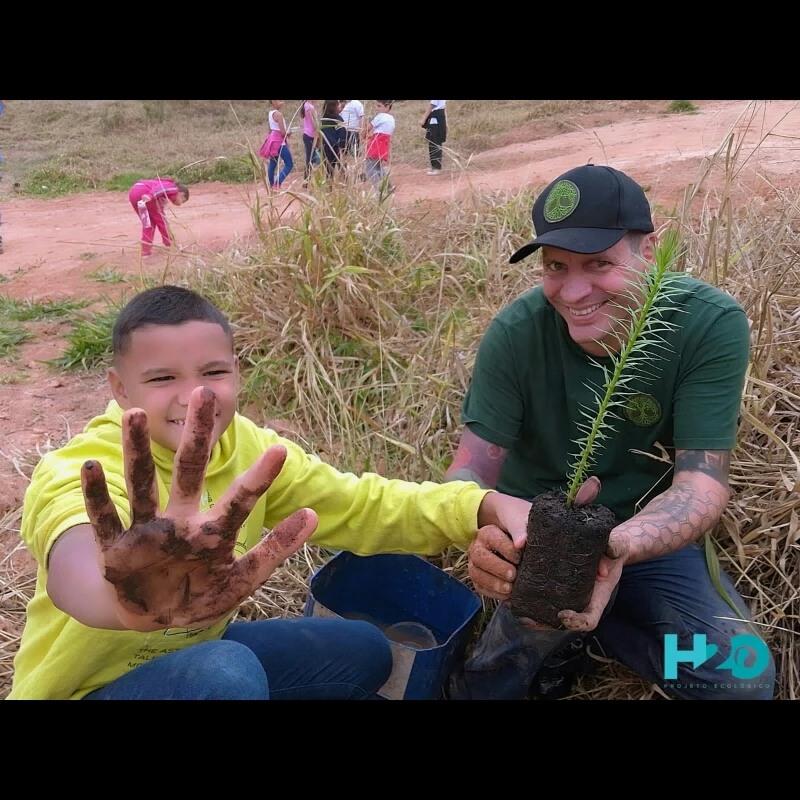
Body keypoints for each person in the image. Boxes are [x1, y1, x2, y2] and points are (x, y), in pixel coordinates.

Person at [8, 285, 530, 700]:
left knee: (363, 650)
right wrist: (124, 604)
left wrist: (480, 505)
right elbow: (70, 565)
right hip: (89, 689)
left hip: (194, 659)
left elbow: (364, 504)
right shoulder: (85, 467)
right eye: (163, 377)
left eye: (214, 371)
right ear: (120, 388)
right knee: (225, 673)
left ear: (238, 370)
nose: (196, 397)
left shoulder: (253, 451)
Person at [445, 164, 775, 700]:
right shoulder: (516, 333)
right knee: (494, 684)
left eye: (600, 263)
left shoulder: (707, 324)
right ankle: (515, 657)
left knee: (741, 673)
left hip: (643, 534)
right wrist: (483, 521)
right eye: (555, 267)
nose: (574, 292)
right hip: (536, 536)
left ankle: (610, 636)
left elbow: (700, 483)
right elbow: (468, 471)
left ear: (651, 249)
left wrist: (611, 548)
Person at [128, 177, 189, 257]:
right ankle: (170, 244)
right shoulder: (173, 187)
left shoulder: (163, 185)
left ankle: (145, 251)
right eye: (182, 200)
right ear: (181, 194)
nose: (180, 204)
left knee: (148, 224)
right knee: (162, 221)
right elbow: (161, 189)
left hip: (134, 193)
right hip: (145, 193)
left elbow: (160, 190)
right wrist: (150, 195)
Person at [260, 100, 294, 190]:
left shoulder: (270, 113)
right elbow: (283, 132)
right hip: (279, 142)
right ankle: (277, 182)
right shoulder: (279, 115)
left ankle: (271, 185)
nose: (281, 102)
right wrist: (289, 132)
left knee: (273, 163)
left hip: (273, 141)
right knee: (289, 164)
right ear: (273, 102)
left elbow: (271, 129)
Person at [365, 100, 395, 191]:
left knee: (370, 168)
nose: (376, 108)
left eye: (379, 106)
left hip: (376, 144)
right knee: (378, 167)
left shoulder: (380, 117)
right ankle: (389, 186)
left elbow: (367, 128)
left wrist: (362, 136)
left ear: (387, 106)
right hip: (384, 145)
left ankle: (378, 189)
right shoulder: (391, 118)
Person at [319, 100, 346, 180]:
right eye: (338, 105)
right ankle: (345, 183)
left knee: (328, 170)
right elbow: (342, 134)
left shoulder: (323, 119)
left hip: (325, 147)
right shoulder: (338, 119)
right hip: (335, 147)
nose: (339, 106)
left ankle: (329, 187)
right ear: (333, 107)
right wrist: (343, 146)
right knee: (341, 166)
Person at [421, 100, 447, 175]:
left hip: (436, 119)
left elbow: (431, 105)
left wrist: (423, 119)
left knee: (435, 144)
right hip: (438, 119)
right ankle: (434, 167)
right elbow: (444, 108)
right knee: (433, 144)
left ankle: (436, 168)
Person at [300, 100, 321, 185]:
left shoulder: (305, 105)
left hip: (307, 135)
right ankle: (307, 180)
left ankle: (307, 180)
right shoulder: (310, 107)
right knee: (311, 159)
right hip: (311, 136)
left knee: (310, 158)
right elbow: (314, 124)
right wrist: (319, 133)